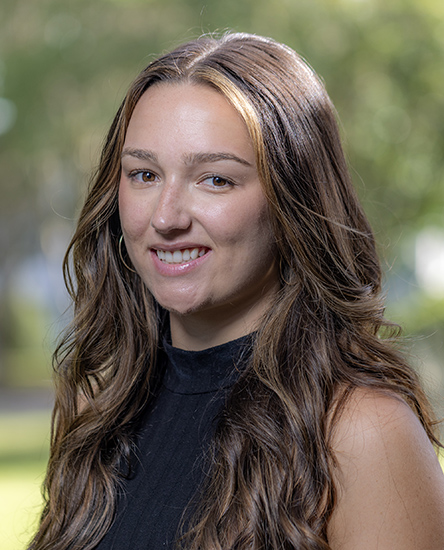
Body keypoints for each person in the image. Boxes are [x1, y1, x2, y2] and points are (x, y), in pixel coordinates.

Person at [30, 33, 444, 550]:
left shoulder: (360, 430)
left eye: (216, 180)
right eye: (144, 174)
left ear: (292, 201)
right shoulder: (99, 411)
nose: (166, 217)